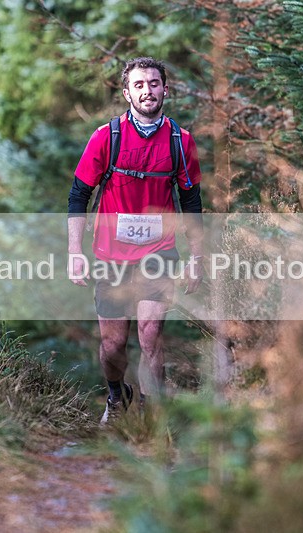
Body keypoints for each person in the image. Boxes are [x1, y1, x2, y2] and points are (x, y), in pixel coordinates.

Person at [67, 57, 204, 423]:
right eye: (140, 85)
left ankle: (151, 415)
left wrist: (196, 257)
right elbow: (78, 196)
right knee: (112, 347)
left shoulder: (180, 142)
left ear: (165, 90)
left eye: (155, 84)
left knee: (149, 335)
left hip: (158, 253)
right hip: (111, 256)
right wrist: (74, 252)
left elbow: (191, 203)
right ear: (126, 93)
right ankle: (117, 395)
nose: (148, 91)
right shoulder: (106, 138)